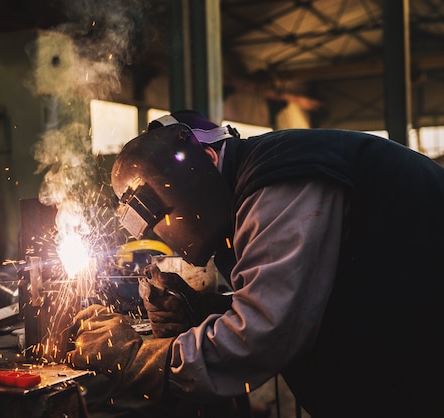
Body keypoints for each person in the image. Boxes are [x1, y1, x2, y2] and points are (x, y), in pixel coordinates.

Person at [68, 110, 444, 418]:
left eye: (164, 218)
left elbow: (264, 333)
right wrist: (200, 310)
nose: (168, 236)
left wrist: (139, 359)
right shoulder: (248, 194)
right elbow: (311, 294)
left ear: (207, 160)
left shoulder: (280, 180)